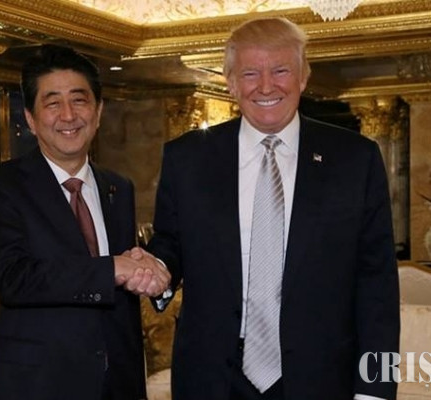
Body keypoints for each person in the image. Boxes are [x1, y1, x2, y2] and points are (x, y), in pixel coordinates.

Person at [141, 17, 400, 400]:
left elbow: (379, 287)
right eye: (250, 73)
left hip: (323, 379)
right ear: (230, 82)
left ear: (304, 76)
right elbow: (171, 243)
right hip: (211, 379)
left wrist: (377, 389)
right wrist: (158, 268)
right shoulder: (187, 158)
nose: (266, 86)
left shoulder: (356, 159)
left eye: (280, 70)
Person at [0, 44, 170, 400]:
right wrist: (112, 268)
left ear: (98, 111)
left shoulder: (118, 187)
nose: (68, 115)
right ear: (31, 119)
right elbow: (14, 278)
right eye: (52, 103)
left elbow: (120, 284)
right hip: (40, 384)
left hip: (118, 382)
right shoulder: (1, 186)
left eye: (79, 100)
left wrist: (146, 271)